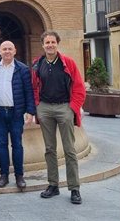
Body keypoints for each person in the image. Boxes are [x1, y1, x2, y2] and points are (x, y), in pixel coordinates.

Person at [31, 31, 86, 205]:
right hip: (45, 108)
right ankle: (53, 185)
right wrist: (37, 107)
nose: (50, 45)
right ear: (42, 45)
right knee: (49, 149)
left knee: (69, 149)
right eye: (47, 42)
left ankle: (74, 188)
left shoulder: (68, 63)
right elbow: (33, 87)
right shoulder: (37, 64)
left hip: (64, 107)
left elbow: (79, 87)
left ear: (57, 43)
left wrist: (73, 108)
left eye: (53, 42)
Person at [0, 41, 36, 190]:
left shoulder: (22, 69)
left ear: (15, 51)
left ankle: (19, 176)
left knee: (17, 145)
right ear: (0, 51)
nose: (7, 51)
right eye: (4, 49)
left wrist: (30, 112)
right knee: (1, 145)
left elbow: (29, 92)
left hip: (16, 113)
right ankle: (4, 175)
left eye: (10, 49)